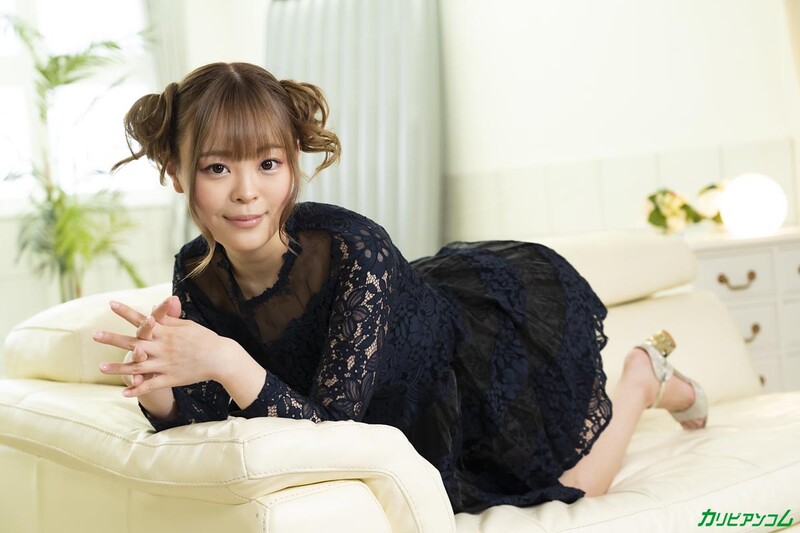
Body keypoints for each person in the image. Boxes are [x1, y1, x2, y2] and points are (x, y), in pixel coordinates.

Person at [92, 62, 708, 514]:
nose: (247, 191)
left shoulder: (352, 247)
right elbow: (211, 413)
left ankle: (641, 378)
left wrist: (227, 358)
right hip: (383, 411)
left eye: (269, 164)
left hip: (465, 367)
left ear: (293, 165)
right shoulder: (196, 270)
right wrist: (159, 386)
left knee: (577, 490)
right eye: (217, 167)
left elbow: (333, 431)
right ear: (177, 173)